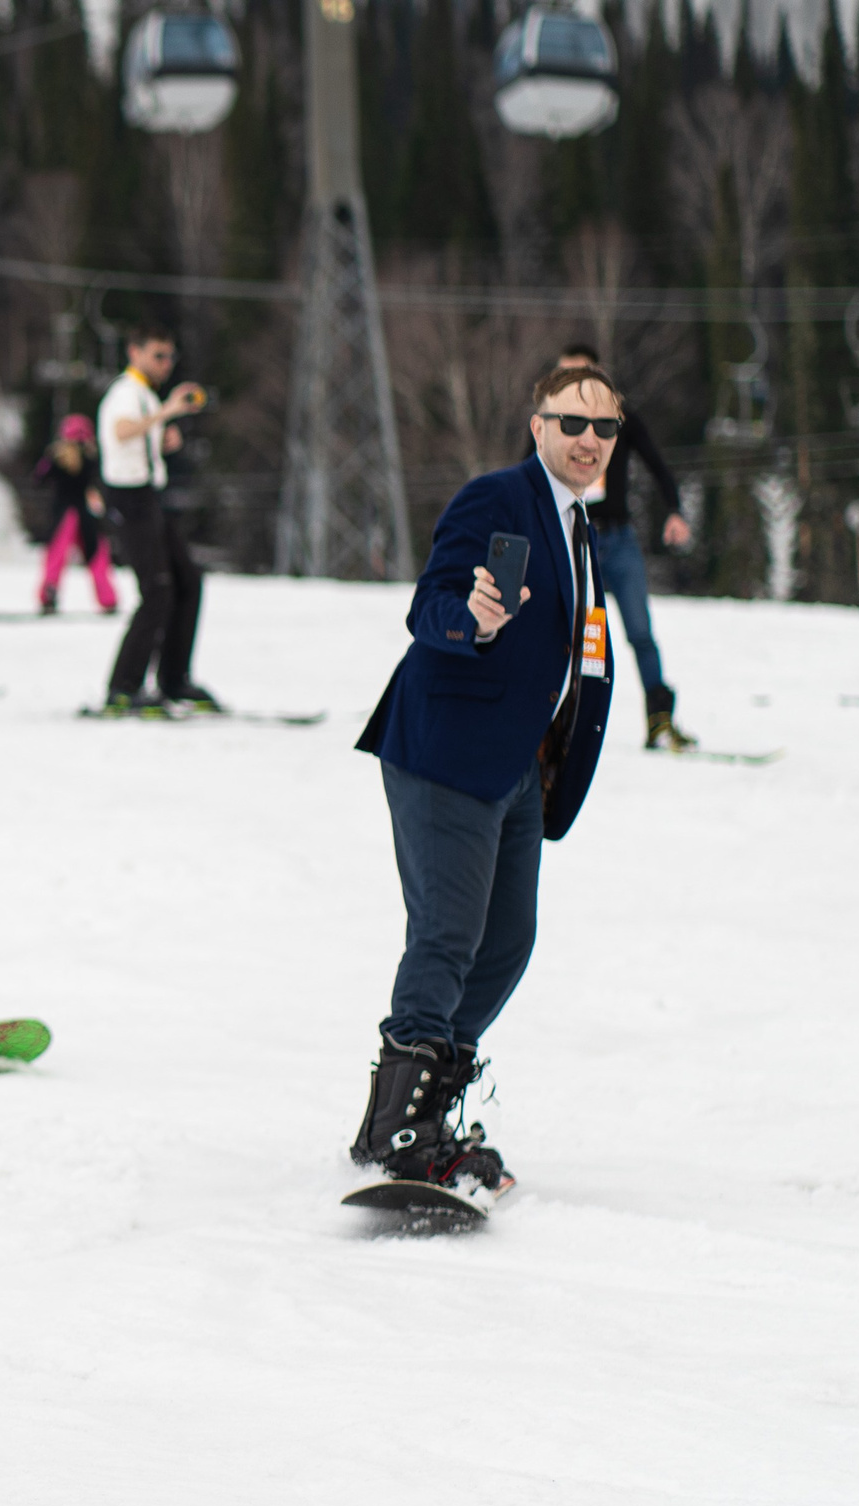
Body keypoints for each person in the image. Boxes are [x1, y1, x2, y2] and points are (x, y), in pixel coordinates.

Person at [346, 364, 620, 1207]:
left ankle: (420, 1108)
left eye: (605, 427)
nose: (588, 440)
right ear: (537, 426)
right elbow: (430, 604)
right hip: (446, 750)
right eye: (571, 422)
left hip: (516, 766)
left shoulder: (579, 525)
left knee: (505, 942)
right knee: (447, 934)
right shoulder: (496, 497)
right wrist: (472, 617)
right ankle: (399, 1133)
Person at [548, 344, 696, 749]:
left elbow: (658, 466)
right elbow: (524, 474)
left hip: (617, 539)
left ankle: (660, 722)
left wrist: (674, 511)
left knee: (640, 632)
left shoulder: (620, 418)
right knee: (579, 638)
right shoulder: (553, 424)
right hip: (575, 541)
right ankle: (568, 723)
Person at [97, 326, 213, 714]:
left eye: (169, 357)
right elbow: (121, 430)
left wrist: (162, 436)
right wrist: (167, 413)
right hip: (129, 498)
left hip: (149, 497)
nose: (165, 364)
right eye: (157, 356)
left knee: (188, 581)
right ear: (135, 352)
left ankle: (174, 678)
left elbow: (137, 434)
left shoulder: (145, 395)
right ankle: (123, 686)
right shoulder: (125, 392)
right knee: (157, 591)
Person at [32, 415, 116, 615]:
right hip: (86, 515)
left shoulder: (57, 458)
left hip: (65, 514)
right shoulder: (92, 458)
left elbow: (38, 479)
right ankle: (108, 599)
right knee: (97, 555)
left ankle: (48, 597)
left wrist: (48, 458)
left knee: (56, 555)